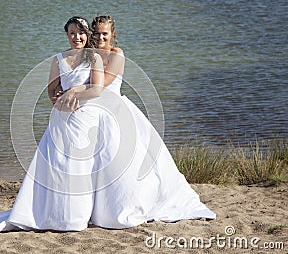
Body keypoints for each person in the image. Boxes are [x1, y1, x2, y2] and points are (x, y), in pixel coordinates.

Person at [58, 15, 216, 228]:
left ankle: (121, 207)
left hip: (113, 109)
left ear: (112, 34)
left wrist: (74, 89)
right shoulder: (88, 55)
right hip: (91, 111)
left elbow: (101, 85)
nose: (100, 37)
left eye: (105, 33)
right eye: (96, 33)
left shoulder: (117, 55)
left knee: (119, 160)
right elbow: (78, 76)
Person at [0, 16, 106, 238]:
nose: (76, 37)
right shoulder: (58, 59)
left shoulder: (94, 59)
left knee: (82, 166)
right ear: (66, 35)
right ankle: (57, 214)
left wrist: (73, 91)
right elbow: (51, 91)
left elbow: (97, 90)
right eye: (71, 33)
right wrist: (60, 101)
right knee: (58, 165)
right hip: (62, 118)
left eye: (80, 33)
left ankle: (79, 215)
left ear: (87, 34)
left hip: (85, 117)